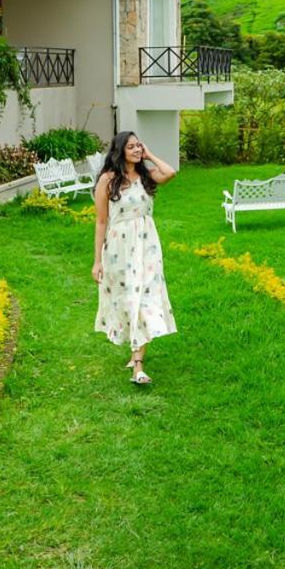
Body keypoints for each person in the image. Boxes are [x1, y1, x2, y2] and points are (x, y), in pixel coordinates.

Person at [91, 131, 178, 384]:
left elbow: (170, 172)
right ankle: (135, 349)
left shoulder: (146, 176)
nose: (137, 150)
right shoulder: (108, 180)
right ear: (120, 151)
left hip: (147, 246)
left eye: (139, 145)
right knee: (127, 299)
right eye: (131, 147)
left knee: (146, 298)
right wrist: (97, 261)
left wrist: (149, 155)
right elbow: (100, 221)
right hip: (119, 248)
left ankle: (138, 365)